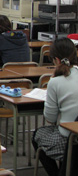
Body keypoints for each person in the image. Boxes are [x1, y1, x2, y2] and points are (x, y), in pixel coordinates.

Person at [32, 37, 78, 176]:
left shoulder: (55, 82)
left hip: (69, 139)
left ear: (56, 60)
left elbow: (50, 119)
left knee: (37, 135)